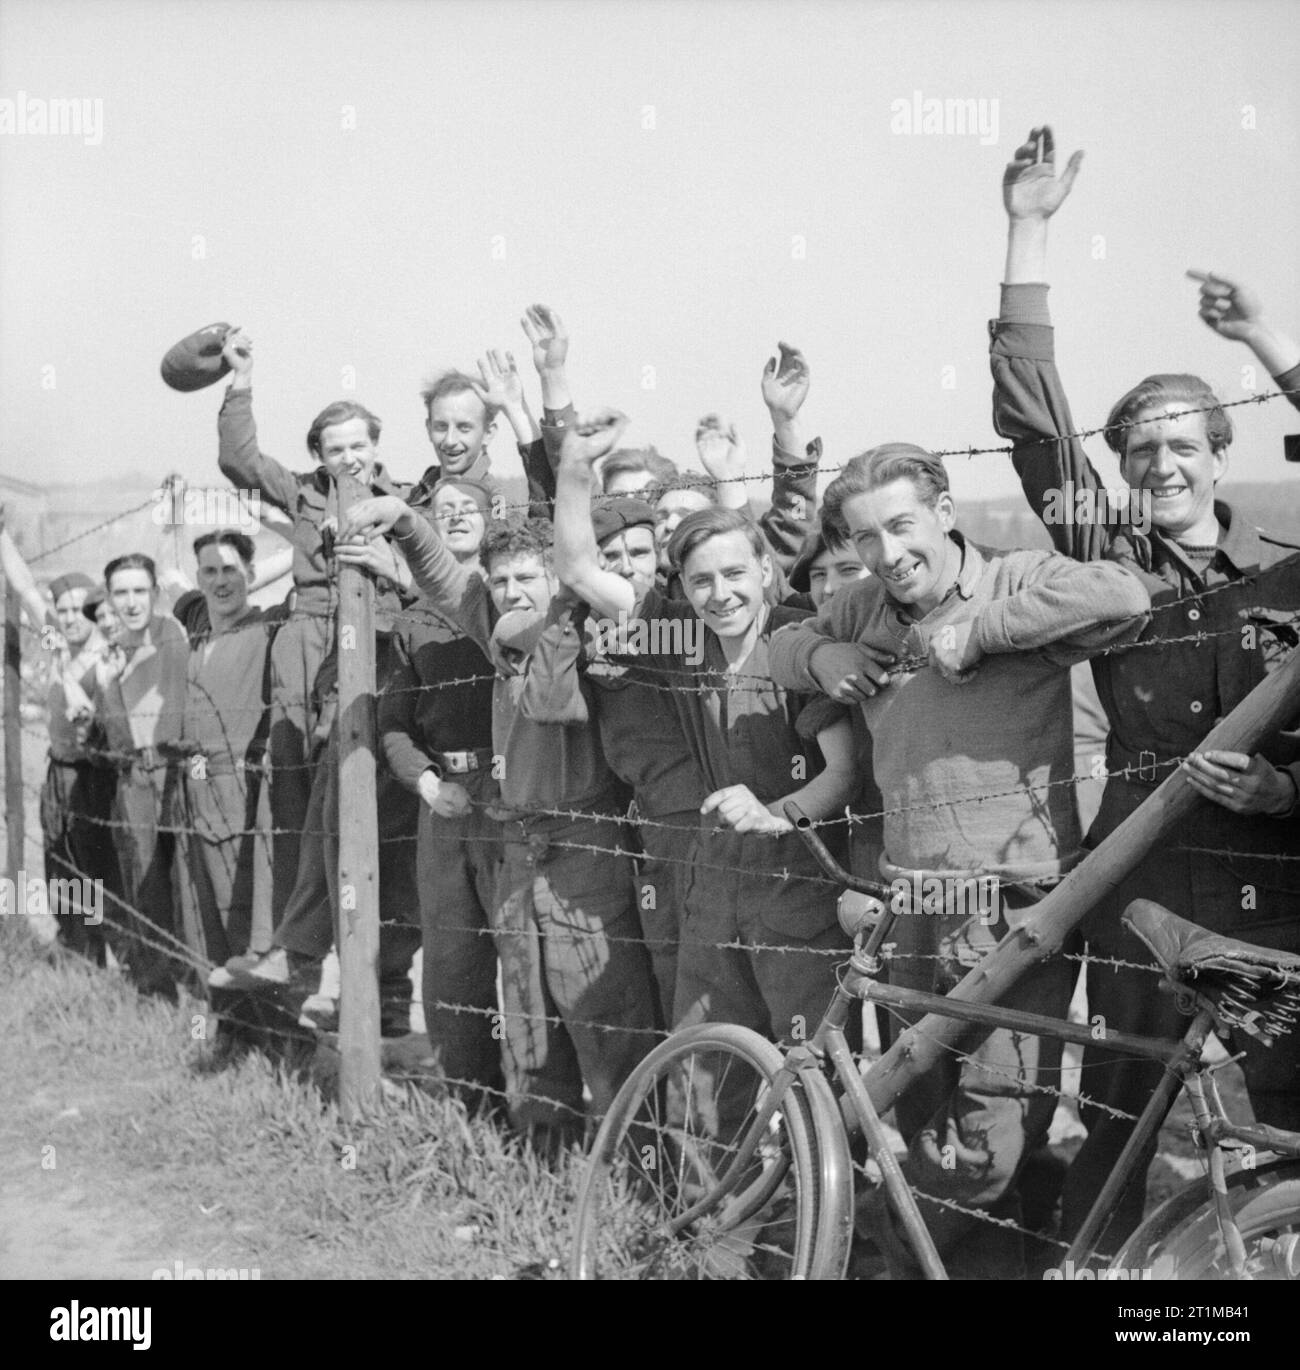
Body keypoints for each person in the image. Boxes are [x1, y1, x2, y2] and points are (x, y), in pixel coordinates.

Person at [991, 124, 1300, 1251]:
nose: (1159, 465)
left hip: (1276, 883)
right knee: (1122, 1116)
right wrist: (1026, 229)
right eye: (1136, 451)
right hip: (1137, 872)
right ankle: (1095, 1277)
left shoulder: (1285, 574)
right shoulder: (1111, 571)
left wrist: (1267, 337)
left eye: (1181, 444)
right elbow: (1031, 425)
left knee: (1288, 1133)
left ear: (1223, 451)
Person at [767, 443, 1151, 1278]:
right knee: (926, 1117)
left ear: (945, 512)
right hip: (911, 908)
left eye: (902, 525)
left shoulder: (1015, 582)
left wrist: (981, 631)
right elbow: (782, 645)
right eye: (865, 538)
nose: (887, 554)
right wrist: (824, 658)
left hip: (1015, 910)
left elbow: (1125, 595)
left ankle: (856, 1241)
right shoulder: (864, 607)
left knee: (990, 1141)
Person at [342, 491, 658, 1148]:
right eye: (503, 579)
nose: (513, 591)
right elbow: (446, 579)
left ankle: (637, 1170)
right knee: (528, 1017)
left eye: (528, 578)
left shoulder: (585, 631)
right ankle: (543, 1163)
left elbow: (609, 620)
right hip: (516, 844)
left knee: (604, 1012)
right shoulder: (498, 627)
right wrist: (405, 520)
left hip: (583, 846)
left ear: (557, 578)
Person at [548, 411, 861, 1048]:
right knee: (706, 1063)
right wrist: (575, 469)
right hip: (711, 878)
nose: (720, 595)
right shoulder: (681, 637)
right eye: (701, 581)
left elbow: (844, 769)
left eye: (735, 575)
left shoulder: (795, 641)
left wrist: (778, 814)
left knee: (808, 1068)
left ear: (766, 572)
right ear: (682, 588)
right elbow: (580, 570)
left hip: (796, 878)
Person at [216, 328, 414, 913]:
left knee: (352, 775)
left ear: (376, 446)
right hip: (304, 637)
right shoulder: (300, 493)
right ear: (318, 456)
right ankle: (296, 929)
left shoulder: (401, 500)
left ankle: (354, 924)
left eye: (359, 446)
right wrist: (242, 381)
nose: (349, 459)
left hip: (371, 638)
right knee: (295, 778)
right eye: (335, 450)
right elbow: (239, 459)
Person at [379, 476, 506, 1100]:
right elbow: (394, 726)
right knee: (454, 961)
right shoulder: (413, 623)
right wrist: (428, 785)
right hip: (447, 805)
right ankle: (471, 1104)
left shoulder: (511, 600)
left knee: (531, 960)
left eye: (468, 509)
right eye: (443, 511)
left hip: (516, 796)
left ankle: (545, 1118)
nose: (456, 518)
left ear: (492, 518)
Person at [0, 519, 120, 963]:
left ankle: (104, 954)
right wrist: (1, 534)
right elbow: (28, 590)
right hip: (58, 770)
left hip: (94, 776)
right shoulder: (56, 643)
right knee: (58, 859)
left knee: (95, 866)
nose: (69, 618)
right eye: (63, 610)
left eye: (78, 610)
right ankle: (73, 948)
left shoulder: (106, 652)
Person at [171, 530, 275, 970]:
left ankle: (270, 1032)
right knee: (200, 917)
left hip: (238, 792)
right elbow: (168, 582)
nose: (220, 581)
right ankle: (222, 1026)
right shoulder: (196, 628)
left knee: (242, 911)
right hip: (190, 794)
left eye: (230, 569)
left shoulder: (270, 627)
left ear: (252, 574)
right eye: (210, 572)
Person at [90, 552, 190, 997]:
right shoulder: (109, 656)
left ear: (155, 593)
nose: (131, 602)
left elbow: (181, 577)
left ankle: (204, 993)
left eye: (139, 591)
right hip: (134, 778)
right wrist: (109, 684)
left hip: (178, 769)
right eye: (121, 593)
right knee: (144, 884)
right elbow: (115, 741)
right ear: (109, 598)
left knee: (187, 882)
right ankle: (156, 993)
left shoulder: (173, 630)